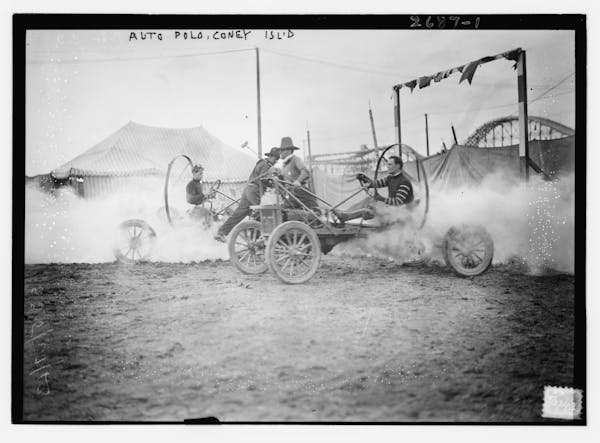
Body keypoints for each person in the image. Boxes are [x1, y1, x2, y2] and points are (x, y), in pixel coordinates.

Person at [213, 147, 281, 242]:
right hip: (255, 191)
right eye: (276, 159)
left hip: (248, 189)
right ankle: (256, 237)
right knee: (265, 212)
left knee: (238, 214)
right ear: (271, 157)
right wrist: (273, 183)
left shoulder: (261, 163)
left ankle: (221, 232)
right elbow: (263, 179)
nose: (276, 161)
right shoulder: (266, 166)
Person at [334, 156, 413, 222]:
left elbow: (398, 202)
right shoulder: (390, 178)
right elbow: (376, 183)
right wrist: (365, 179)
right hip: (391, 208)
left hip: (400, 213)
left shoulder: (404, 182)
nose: (387, 166)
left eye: (390, 164)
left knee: (367, 211)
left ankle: (345, 217)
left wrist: (381, 198)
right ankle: (345, 213)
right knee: (368, 199)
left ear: (398, 166)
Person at [278, 136, 318, 209]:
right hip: (290, 194)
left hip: (299, 192)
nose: (280, 152)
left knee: (285, 209)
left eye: (282, 150)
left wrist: (298, 181)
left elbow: (305, 172)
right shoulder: (284, 165)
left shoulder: (296, 159)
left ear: (289, 151)